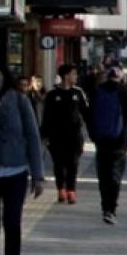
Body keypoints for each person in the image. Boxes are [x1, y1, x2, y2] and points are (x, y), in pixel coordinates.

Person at [0, 61, 45, 255]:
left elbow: (33, 137)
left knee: (12, 224)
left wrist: (38, 176)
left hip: (15, 172)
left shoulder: (18, 100)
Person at [89, 67, 127, 225]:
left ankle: (105, 207)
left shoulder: (96, 91)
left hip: (101, 141)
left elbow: (89, 116)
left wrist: (94, 135)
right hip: (120, 141)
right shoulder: (124, 92)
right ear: (120, 78)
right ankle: (111, 209)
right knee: (115, 175)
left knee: (103, 175)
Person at [40, 64, 90, 205]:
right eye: (74, 74)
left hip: (74, 135)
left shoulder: (78, 92)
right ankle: (60, 189)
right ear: (66, 76)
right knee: (59, 164)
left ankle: (71, 190)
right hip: (57, 136)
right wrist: (45, 135)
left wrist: (94, 131)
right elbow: (46, 116)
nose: (76, 77)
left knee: (73, 163)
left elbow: (86, 113)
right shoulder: (52, 94)